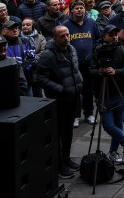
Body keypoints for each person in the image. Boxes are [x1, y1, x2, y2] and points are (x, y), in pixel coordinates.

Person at [35, 25, 83, 179]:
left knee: (68, 131)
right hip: (59, 100)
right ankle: (59, 164)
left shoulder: (71, 49)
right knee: (58, 134)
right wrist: (60, 89)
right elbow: (41, 78)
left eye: (67, 35)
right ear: (55, 38)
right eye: (62, 36)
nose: (66, 38)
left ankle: (67, 158)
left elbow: (75, 70)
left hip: (73, 97)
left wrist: (79, 83)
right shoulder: (48, 55)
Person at [90, 25, 124, 164]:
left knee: (119, 124)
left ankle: (112, 151)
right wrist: (98, 71)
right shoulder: (98, 51)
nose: (114, 37)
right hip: (103, 94)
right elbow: (90, 69)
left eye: (116, 34)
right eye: (110, 34)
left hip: (120, 92)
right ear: (104, 37)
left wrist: (115, 71)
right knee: (108, 125)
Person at [63, 0, 101, 127]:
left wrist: (94, 52)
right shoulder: (66, 25)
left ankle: (89, 113)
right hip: (73, 65)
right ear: (72, 10)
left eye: (82, 8)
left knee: (88, 90)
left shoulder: (91, 22)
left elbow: (98, 39)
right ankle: (75, 115)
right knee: (75, 91)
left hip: (89, 63)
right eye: (77, 8)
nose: (79, 10)